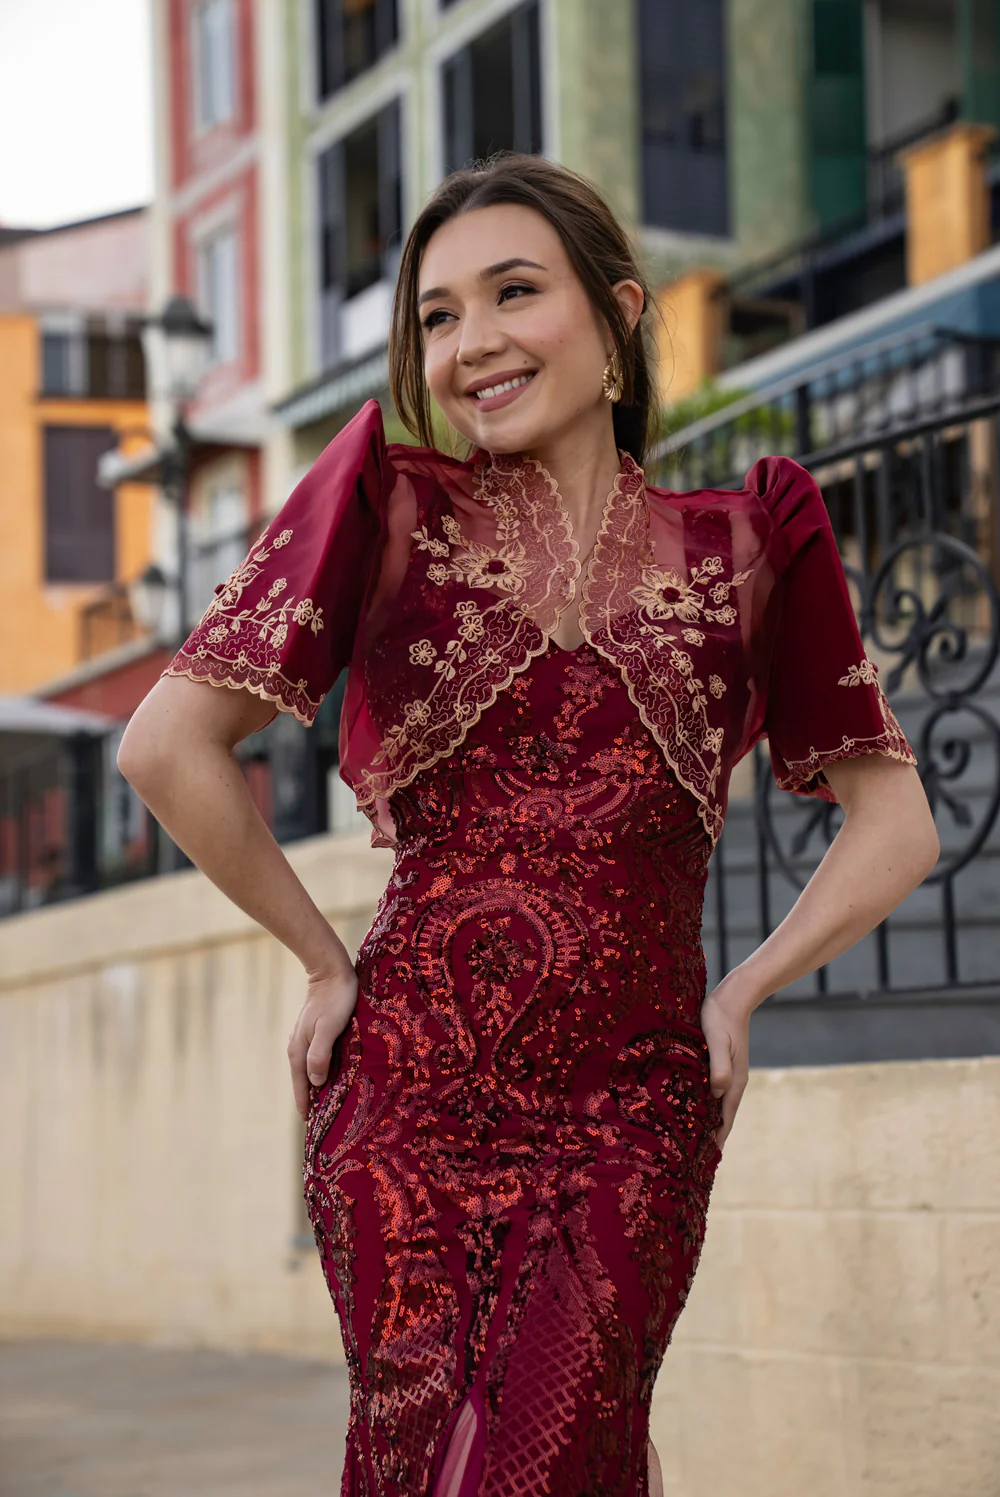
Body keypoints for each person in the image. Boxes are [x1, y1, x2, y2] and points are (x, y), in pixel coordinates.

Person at [118, 154, 939, 1497]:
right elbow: (168, 746)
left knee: (557, 1451)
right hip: (404, 1100)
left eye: (513, 293)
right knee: (433, 1459)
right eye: (437, 316)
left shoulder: (751, 544)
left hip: (631, 1109)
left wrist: (740, 995)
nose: (472, 343)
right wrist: (328, 963)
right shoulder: (388, 509)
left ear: (617, 318)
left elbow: (896, 826)